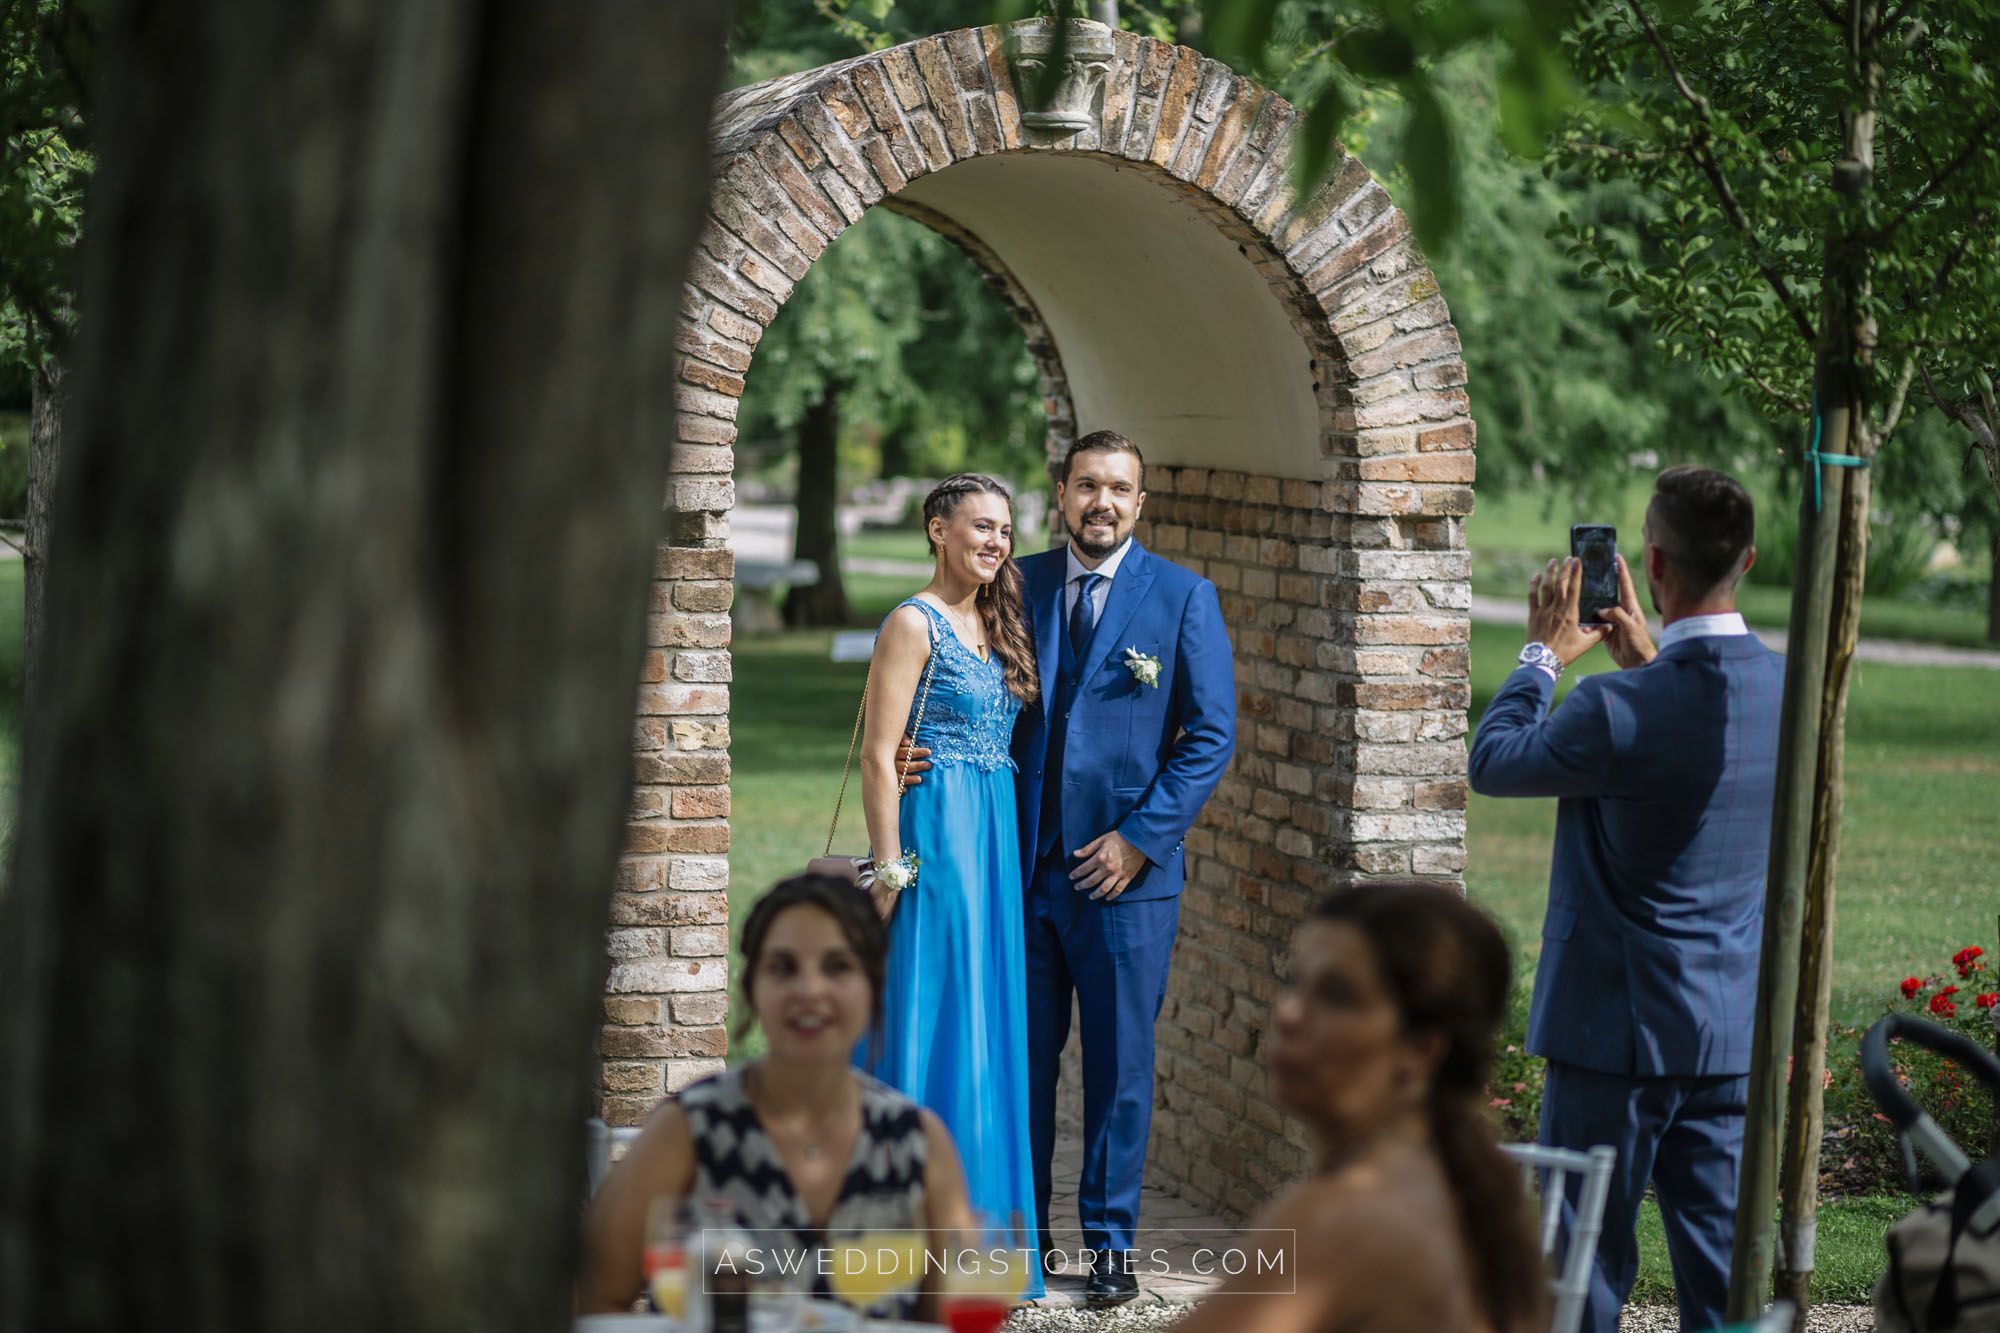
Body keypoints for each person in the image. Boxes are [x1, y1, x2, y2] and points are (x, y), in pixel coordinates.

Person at [1467, 465, 1785, 1333]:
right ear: (1746, 559)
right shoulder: (1788, 693)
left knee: (1580, 1274)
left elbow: (1494, 760)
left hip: (1612, 1034)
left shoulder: (1612, 707)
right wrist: (1650, 659)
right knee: (1723, 1280)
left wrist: (1541, 651)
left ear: (1650, 563)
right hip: (1727, 1035)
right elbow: (1689, 745)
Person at [1012, 430, 1235, 1304]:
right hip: (1023, 872)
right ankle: (1025, 1245)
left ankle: (1109, 1246)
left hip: (1126, 882)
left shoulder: (1183, 598)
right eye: (1086, 486)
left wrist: (1140, 837)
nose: (1101, 502)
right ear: (1061, 493)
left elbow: (1209, 734)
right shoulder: (1016, 583)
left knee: (1118, 1067)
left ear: (1140, 503)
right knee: (1025, 1065)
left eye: (1119, 489)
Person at [578, 874, 975, 1318]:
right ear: (752, 988)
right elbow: (595, 1297)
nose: (809, 990)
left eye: (837, 966)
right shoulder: (691, 1130)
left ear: (874, 985)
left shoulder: (917, 1145)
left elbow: (953, 1319)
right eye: (783, 967)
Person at [1172, 881, 1549, 1333]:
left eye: (1337, 995)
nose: (1290, 1014)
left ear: (1422, 1049)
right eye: (1293, 982)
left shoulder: (1343, 1220)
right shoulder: (1462, 1187)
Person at [854, 473, 1044, 1296]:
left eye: (1004, 529)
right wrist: (890, 867)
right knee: (936, 1015)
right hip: (937, 840)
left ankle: (983, 1250)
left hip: (992, 836)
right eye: (980, 526)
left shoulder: (997, 621)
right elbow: (876, 752)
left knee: (987, 1020)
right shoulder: (912, 621)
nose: (996, 541)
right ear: (937, 529)